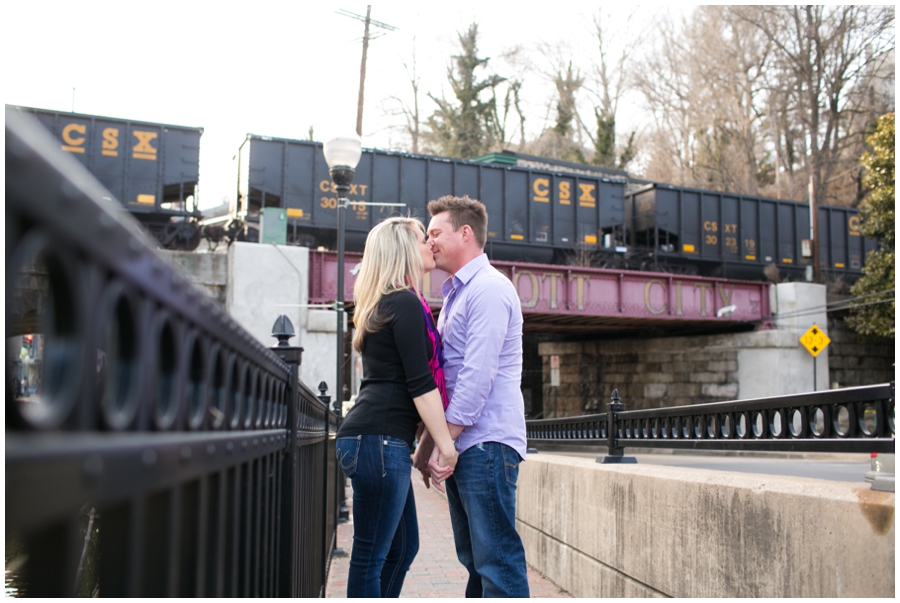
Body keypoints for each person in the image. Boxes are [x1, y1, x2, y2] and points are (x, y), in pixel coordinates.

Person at [335, 216, 458, 598]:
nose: (430, 245)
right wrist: (446, 446)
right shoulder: (402, 302)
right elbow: (420, 384)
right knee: (371, 556)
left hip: (376, 439)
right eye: (423, 239)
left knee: (403, 548)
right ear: (404, 250)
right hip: (378, 441)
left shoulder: (394, 303)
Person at [414, 195, 530, 598]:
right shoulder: (456, 295)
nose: (429, 243)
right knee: (476, 563)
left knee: (496, 562)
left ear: (465, 233)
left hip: (487, 444)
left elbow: (477, 379)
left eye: (435, 232)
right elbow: (448, 379)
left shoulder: (489, 289)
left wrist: (443, 445)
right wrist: (435, 444)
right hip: (468, 444)